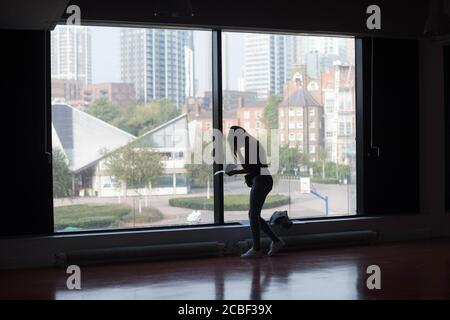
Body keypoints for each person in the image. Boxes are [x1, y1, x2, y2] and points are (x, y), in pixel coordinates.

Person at [225, 126, 285, 258]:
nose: (235, 145)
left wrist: (237, 161)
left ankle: (257, 249)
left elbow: (250, 167)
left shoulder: (249, 146)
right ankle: (275, 242)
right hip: (264, 179)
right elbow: (254, 167)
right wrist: (235, 171)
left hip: (261, 180)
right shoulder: (252, 144)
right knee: (255, 215)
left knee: (253, 214)